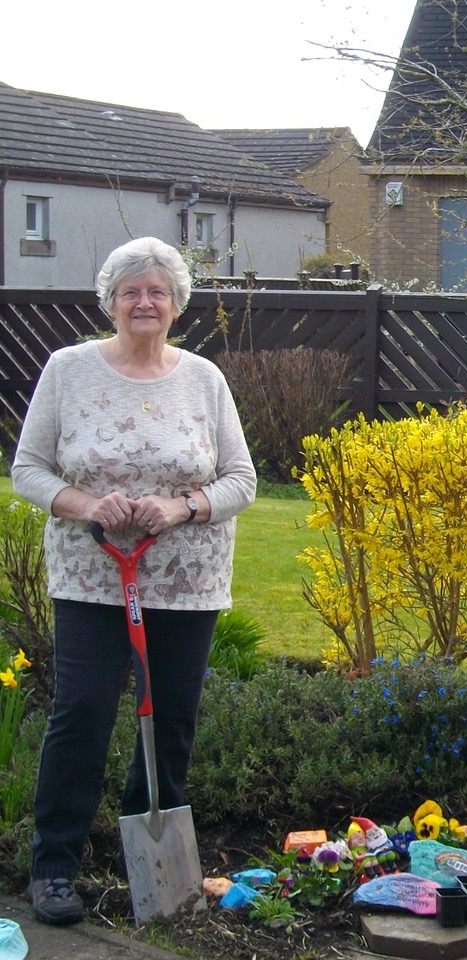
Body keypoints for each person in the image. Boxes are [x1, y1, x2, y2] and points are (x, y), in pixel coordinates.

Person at [12, 236, 256, 925]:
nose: (144, 302)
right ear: (111, 302)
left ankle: (147, 866)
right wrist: (88, 505)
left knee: (169, 720)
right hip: (93, 573)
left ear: (177, 304)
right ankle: (54, 868)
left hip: (186, 579)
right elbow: (28, 469)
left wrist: (182, 507)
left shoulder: (204, 378)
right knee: (81, 713)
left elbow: (242, 480)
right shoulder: (68, 370)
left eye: (157, 291)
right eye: (131, 291)